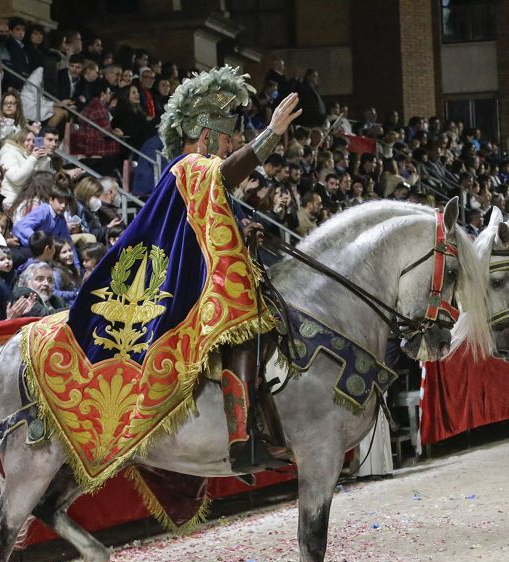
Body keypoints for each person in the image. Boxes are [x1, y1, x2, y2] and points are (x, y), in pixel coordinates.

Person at [19, 66, 302, 491]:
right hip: (175, 286)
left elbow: (207, 226)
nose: (230, 146)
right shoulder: (190, 166)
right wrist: (272, 134)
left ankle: (261, 428)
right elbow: (225, 175)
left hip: (191, 274)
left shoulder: (197, 176)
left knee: (259, 316)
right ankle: (244, 438)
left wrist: (245, 231)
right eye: (227, 139)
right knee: (241, 325)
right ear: (206, 135)